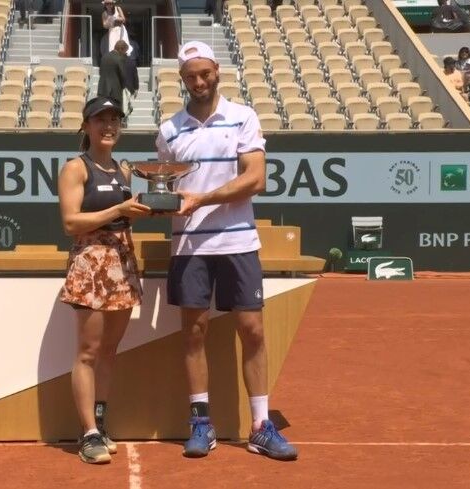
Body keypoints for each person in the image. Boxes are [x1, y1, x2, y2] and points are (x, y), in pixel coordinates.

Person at [155, 41, 298, 461]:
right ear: (182, 79)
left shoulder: (243, 117)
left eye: (205, 74)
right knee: (193, 332)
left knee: (252, 331)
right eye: (191, 76)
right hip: (189, 245)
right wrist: (160, 201)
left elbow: (256, 179)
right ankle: (201, 423)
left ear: (217, 71)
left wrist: (201, 199)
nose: (199, 82)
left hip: (238, 241)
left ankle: (260, 426)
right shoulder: (168, 130)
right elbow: (167, 187)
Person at [58, 96, 151, 464]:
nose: (109, 127)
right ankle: (87, 434)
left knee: (110, 351)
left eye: (114, 120)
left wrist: (140, 212)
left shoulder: (123, 170)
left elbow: (122, 219)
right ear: (86, 126)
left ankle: (100, 423)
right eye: (101, 120)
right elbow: (71, 222)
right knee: (88, 352)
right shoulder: (75, 168)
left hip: (122, 263)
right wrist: (118, 209)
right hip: (91, 264)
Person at [98, 40, 129, 114]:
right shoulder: (119, 59)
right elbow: (123, 75)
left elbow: (100, 71)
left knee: (103, 112)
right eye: (125, 51)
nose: (125, 53)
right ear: (121, 49)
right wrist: (124, 86)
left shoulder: (104, 57)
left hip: (102, 90)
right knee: (115, 114)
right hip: (115, 92)